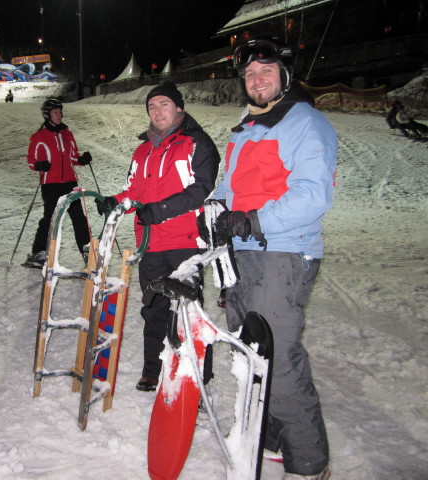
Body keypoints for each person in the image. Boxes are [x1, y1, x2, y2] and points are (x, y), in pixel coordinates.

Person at [211, 37, 336, 480]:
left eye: (266, 71)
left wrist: (252, 221)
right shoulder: (246, 127)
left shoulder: (306, 123)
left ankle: (309, 463)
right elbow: (230, 188)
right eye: (250, 74)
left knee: (278, 359)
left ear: (284, 75)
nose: (257, 80)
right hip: (242, 258)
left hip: (282, 253)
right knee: (249, 354)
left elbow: (312, 196)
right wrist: (215, 211)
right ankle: (270, 438)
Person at [95, 81, 220, 392]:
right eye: (152, 106)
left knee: (189, 312)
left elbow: (201, 190)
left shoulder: (196, 143)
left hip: (185, 241)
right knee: (153, 309)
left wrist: (160, 210)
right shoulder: (143, 150)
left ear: (178, 107)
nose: (157, 111)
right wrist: (116, 201)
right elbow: (135, 191)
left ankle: (198, 378)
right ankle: (153, 368)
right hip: (150, 243)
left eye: (164, 104)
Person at [24, 98, 93, 268]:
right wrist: (40, 165)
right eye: (55, 112)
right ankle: (38, 254)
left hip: (70, 182)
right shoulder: (39, 137)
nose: (59, 115)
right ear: (47, 115)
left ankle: (88, 254)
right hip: (51, 184)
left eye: (60, 112)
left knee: (79, 218)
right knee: (50, 219)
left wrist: (81, 159)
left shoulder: (67, 134)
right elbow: (31, 161)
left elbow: (73, 156)